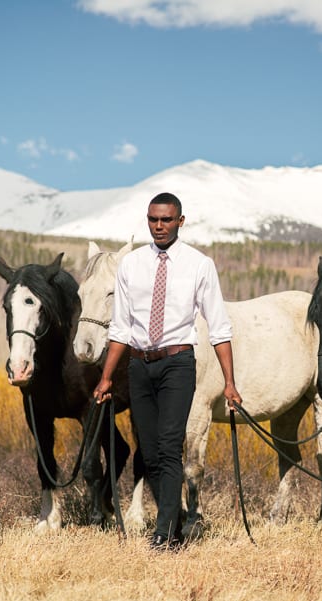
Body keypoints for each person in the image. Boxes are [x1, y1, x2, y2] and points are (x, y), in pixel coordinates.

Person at [93, 192, 242, 551]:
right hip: (139, 365)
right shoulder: (132, 265)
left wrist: (230, 383)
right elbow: (120, 328)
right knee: (150, 452)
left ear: (180, 221)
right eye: (153, 219)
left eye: (166, 220)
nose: (158, 226)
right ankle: (173, 527)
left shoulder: (199, 264)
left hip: (178, 364)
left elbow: (219, 327)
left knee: (170, 447)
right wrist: (106, 377)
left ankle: (163, 533)